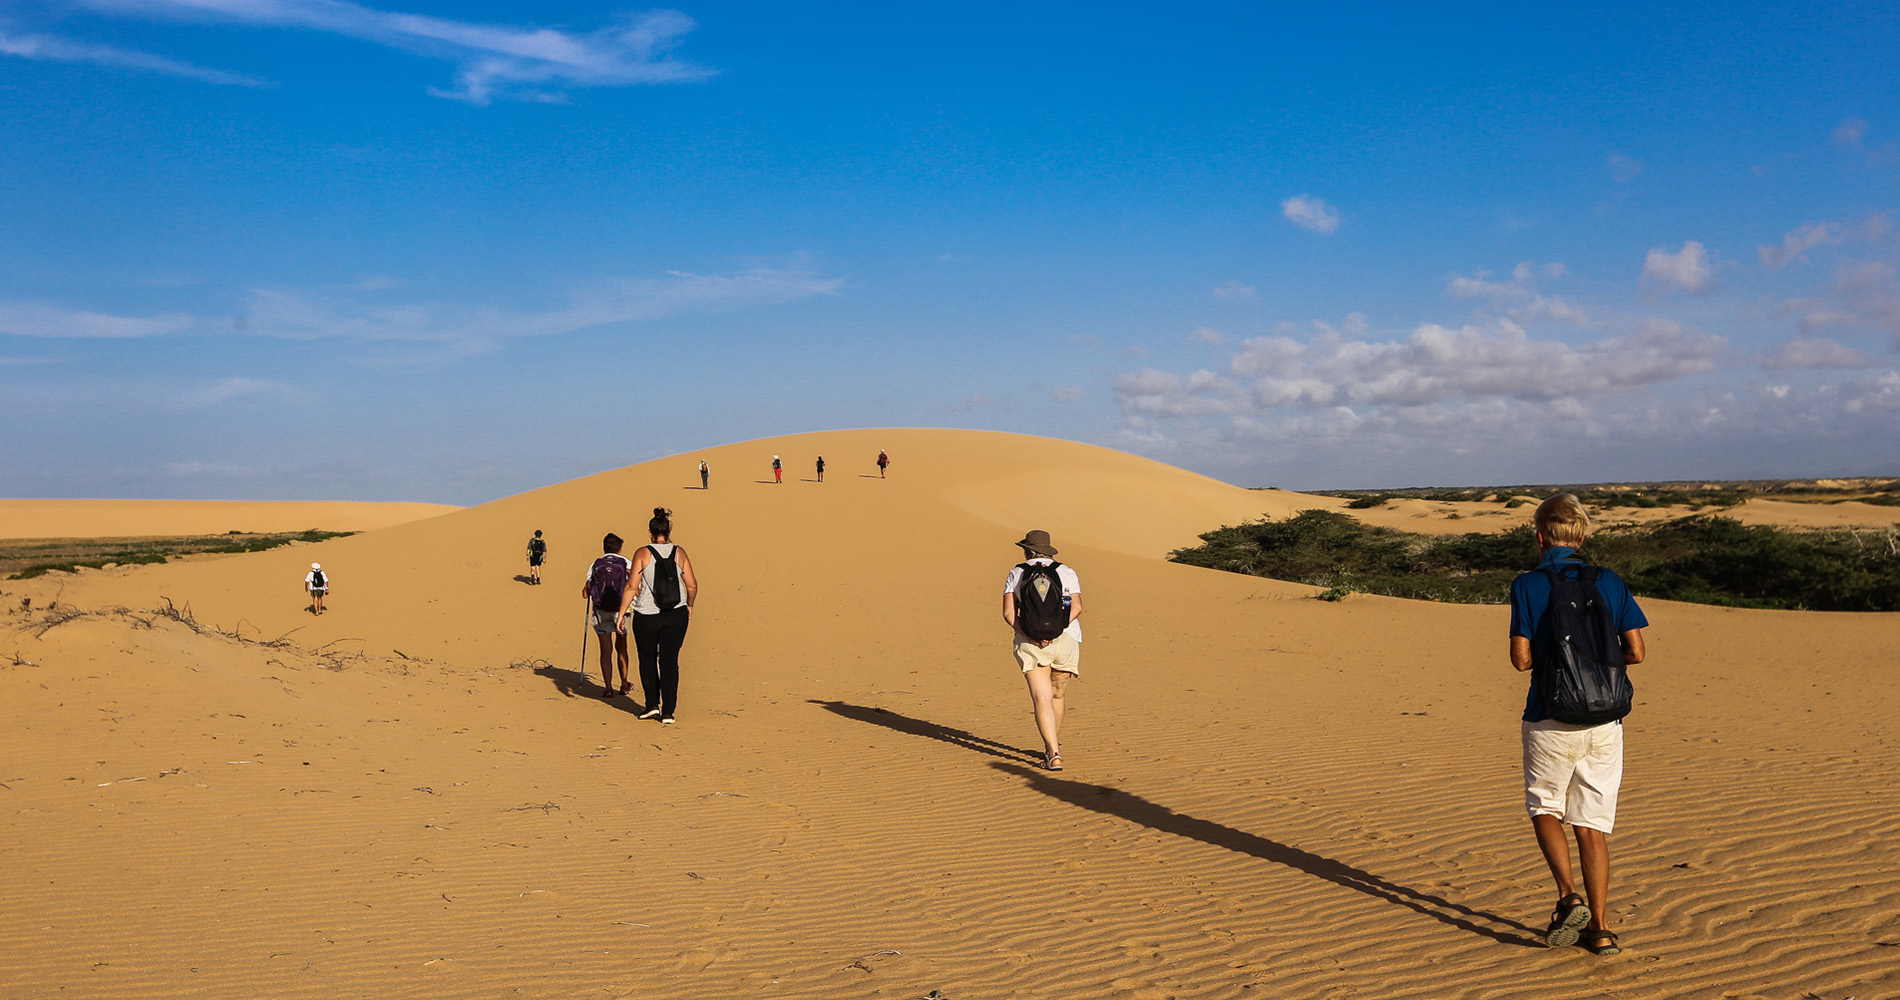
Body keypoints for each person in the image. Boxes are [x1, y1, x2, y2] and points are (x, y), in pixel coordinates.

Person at [1509, 494, 1649, 956]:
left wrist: (1558, 663)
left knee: (1545, 808)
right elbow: (1637, 652)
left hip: (1549, 715)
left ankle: (1568, 897)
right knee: (1592, 825)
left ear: (1540, 536)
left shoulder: (1528, 584)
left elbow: (1520, 659)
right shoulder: (1609, 581)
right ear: (1584, 536)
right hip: (1605, 721)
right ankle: (1603, 930)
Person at [1001, 529, 1082, 771]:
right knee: (1057, 695)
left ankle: (1053, 754)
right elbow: (1076, 607)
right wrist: (1056, 630)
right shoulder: (1066, 571)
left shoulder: (1017, 572)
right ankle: (1051, 746)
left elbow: (1008, 613)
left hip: (1030, 643)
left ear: (1026, 549)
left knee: (1041, 697)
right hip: (1066, 639)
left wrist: (1031, 634)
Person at [617, 507, 698, 724]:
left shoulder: (642, 553)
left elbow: (632, 586)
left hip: (647, 616)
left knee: (647, 659)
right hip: (676, 614)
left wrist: (621, 613)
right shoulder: (679, 552)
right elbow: (691, 584)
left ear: (650, 533)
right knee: (670, 660)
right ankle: (669, 711)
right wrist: (689, 605)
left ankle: (652, 705)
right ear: (668, 531)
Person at [583, 533, 634, 699]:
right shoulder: (626, 563)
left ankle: (608, 687)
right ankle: (624, 683)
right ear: (620, 549)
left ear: (603, 548)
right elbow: (635, 587)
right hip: (622, 610)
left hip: (601, 611)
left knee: (605, 650)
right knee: (622, 648)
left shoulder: (596, 564)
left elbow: (585, 593)